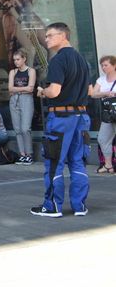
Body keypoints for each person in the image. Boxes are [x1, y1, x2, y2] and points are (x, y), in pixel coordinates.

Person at [31, 22, 91, 217]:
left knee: (54, 161)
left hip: (61, 117)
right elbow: (89, 90)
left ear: (63, 36)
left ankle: (52, 207)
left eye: (49, 35)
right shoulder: (82, 60)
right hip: (81, 116)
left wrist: (43, 92)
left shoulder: (58, 60)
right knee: (77, 160)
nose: (46, 39)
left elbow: (54, 91)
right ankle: (79, 206)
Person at [8, 49, 36, 165]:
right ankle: (22, 155)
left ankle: (29, 154)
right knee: (18, 129)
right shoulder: (13, 72)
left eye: (18, 59)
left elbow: (31, 88)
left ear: (24, 59)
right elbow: (10, 88)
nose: (16, 62)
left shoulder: (31, 71)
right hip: (14, 100)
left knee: (25, 128)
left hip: (26, 100)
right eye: (14, 60)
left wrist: (16, 89)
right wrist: (23, 89)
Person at [89, 55, 116, 174]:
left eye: (106, 65)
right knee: (102, 138)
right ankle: (108, 165)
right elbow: (94, 94)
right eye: (102, 65)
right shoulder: (101, 80)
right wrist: (107, 93)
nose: (103, 68)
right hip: (108, 114)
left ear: (114, 65)